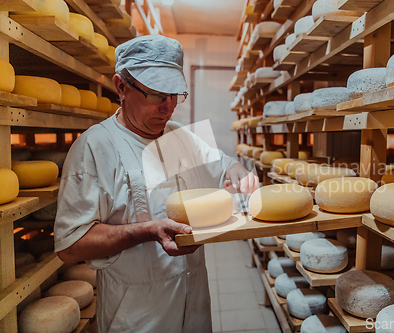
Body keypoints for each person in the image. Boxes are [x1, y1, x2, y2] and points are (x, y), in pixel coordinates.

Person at [54, 35, 259, 333]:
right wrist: (147, 230)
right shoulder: (96, 147)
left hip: (194, 299)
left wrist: (238, 169)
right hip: (138, 312)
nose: (168, 108)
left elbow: (223, 163)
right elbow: (70, 246)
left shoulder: (178, 135)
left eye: (174, 95)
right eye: (156, 95)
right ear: (121, 87)